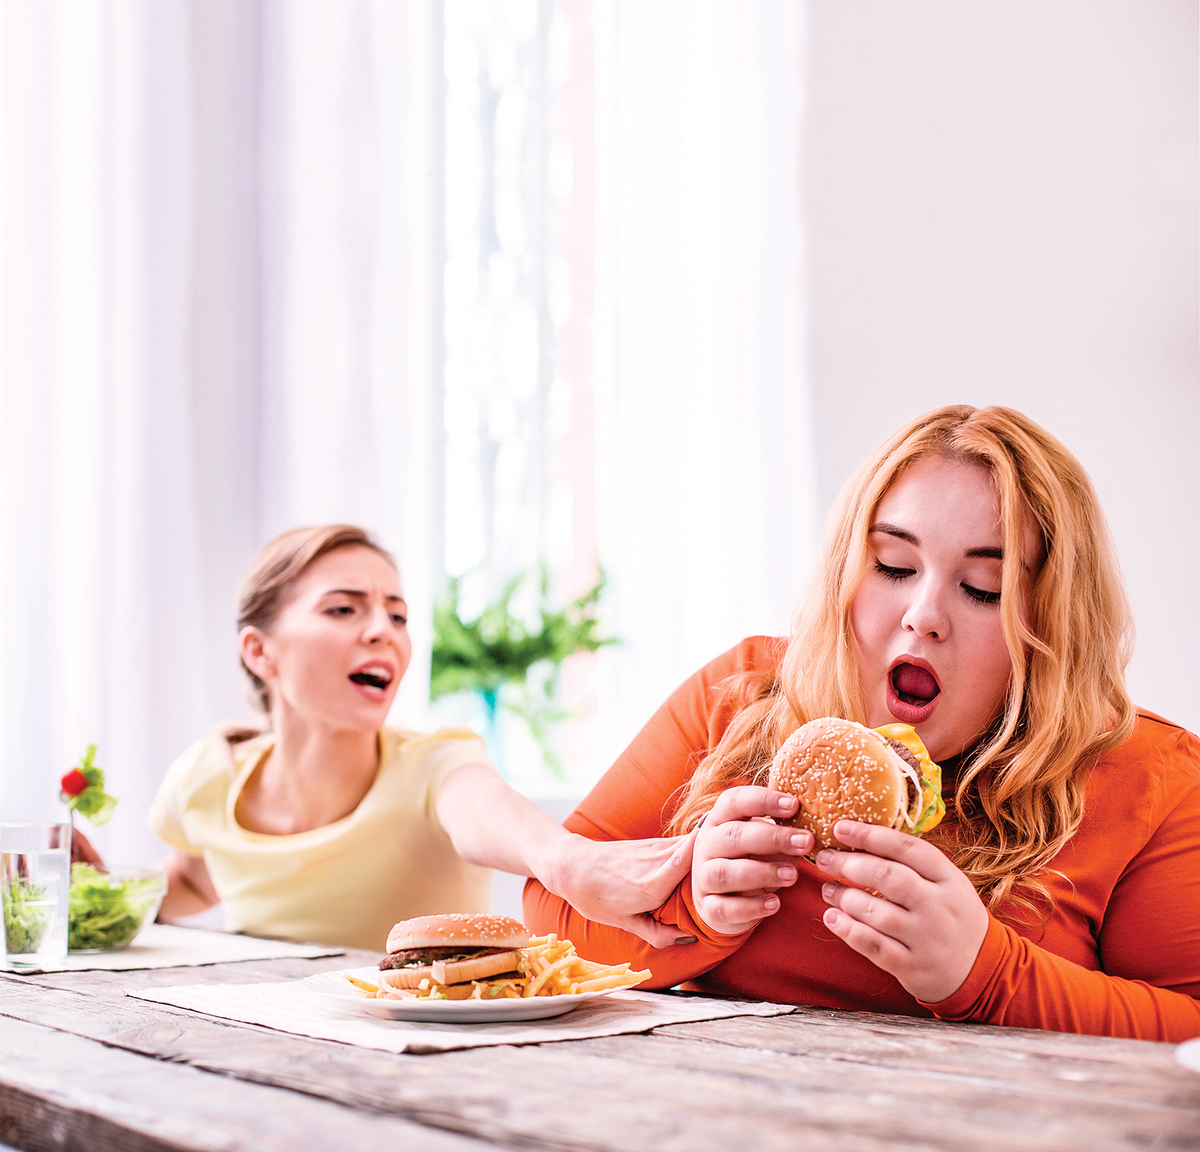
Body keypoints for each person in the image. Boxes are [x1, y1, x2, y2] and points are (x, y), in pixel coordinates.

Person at [524, 405, 1200, 1042]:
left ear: (1054, 625)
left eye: (984, 589)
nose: (923, 614)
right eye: (893, 566)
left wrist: (987, 975)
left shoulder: (1153, 778)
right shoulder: (740, 699)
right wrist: (691, 912)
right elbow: (550, 917)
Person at [149, 525, 695, 952]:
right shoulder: (209, 775)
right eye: (343, 608)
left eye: (398, 614)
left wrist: (567, 863)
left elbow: (483, 810)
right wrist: (90, 891)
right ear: (259, 651)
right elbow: (193, 885)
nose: (382, 630)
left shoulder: (434, 764)